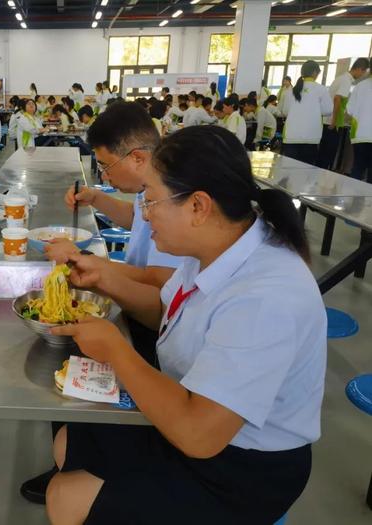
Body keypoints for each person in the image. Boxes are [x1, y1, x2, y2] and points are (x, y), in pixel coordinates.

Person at [45, 124, 325, 525]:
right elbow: (165, 311)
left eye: (152, 202)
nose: (144, 214)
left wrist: (115, 350)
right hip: (194, 407)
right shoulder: (218, 247)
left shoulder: (266, 297)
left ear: (198, 206)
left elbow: (199, 435)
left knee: (65, 496)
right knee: (68, 441)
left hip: (242, 465)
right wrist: (102, 278)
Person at [20, 101, 184, 504]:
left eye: (106, 166)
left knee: (69, 357)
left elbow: (161, 295)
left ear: (139, 157)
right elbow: (135, 222)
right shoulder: (154, 192)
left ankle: (80, 462)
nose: (104, 174)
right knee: (66, 357)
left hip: (155, 333)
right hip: (146, 315)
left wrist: (98, 274)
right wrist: (97, 198)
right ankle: (72, 458)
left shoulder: (174, 199)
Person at [317, 57, 370, 170]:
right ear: (360, 69)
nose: (364, 74)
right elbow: (337, 99)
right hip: (333, 124)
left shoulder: (341, 78)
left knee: (323, 154)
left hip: (328, 121)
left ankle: (318, 179)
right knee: (328, 156)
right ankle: (321, 181)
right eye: (364, 71)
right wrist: (334, 121)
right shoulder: (346, 81)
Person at [280, 60, 333, 165]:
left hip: (291, 136)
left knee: (289, 170)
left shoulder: (291, 90)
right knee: (306, 171)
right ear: (314, 72)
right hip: (311, 136)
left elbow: (285, 111)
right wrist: (315, 111)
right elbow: (328, 110)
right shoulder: (321, 89)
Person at [346, 69, 372, 181]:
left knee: (358, 167)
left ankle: (353, 197)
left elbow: (349, 110)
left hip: (359, 134)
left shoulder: (359, 86)